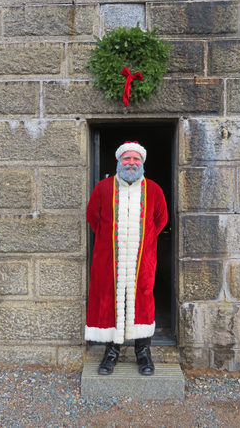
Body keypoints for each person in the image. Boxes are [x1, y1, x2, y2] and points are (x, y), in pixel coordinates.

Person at [85, 141, 168, 376]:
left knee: (142, 302)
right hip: (109, 261)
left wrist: (146, 240)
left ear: (142, 162)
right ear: (119, 161)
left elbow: (160, 220)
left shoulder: (153, 189)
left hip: (142, 262)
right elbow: (93, 218)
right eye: (127, 159)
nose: (131, 163)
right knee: (110, 302)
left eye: (136, 159)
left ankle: (143, 353)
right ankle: (111, 353)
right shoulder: (103, 188)